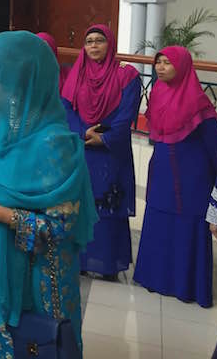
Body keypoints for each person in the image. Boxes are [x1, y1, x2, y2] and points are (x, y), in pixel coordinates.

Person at [0, 31, 97, 357]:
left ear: (20, 87)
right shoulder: (6, 138)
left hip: (40, 288)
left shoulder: (55, 145)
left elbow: (60, 229)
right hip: (4, 282)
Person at [133, 46, 217, 307]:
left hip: (192, 177)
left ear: (181, 66)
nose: (160, 67)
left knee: (187, 225)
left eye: (167, 63)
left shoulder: (198, 102)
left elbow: (213, 147)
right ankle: (155, 279)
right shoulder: (158, 94)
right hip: (162, 170)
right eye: (158, 62)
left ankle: (186, 286)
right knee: (159, 219)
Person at [61, 24, 140, 280]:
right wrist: (84, 132)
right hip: (84, 149)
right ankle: (81, 260)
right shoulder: (77, 73)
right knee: (81, 205)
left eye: (99, 41)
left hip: (110, 152)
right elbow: (67, 107)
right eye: (89, 41)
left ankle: (108, 264)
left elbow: (127, 113)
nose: (93, 46)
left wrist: (104, 137)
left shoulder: (126, 76)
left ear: (110, 44)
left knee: (108, 206)